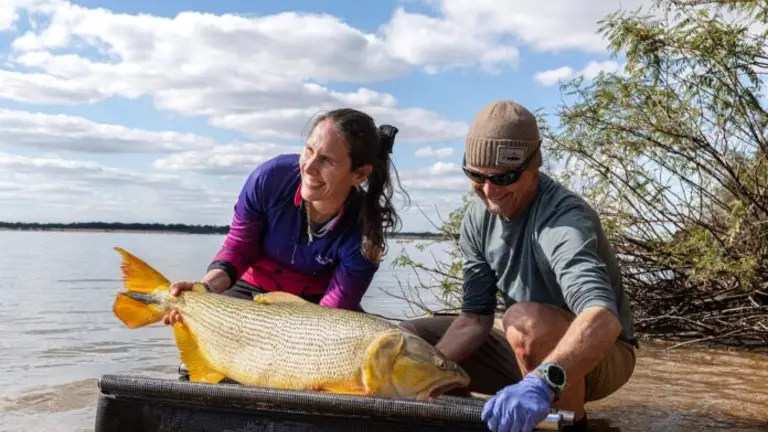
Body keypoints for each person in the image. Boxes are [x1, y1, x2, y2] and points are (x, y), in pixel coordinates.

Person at [398, 100, 637, 432]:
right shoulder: (476, 219)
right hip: (529, 350)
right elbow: (475, 320)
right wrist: (423, 373)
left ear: (533, 167)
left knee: (525, 323)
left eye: (504, 177)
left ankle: (570, 425)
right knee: (409, 341)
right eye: (477, 176)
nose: (489, 191)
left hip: (602, 354)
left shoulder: (564, 220)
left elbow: (604, 318)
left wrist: (543, 381)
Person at [162, 108, 408, 378]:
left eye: (326, 161)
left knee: (341, 371)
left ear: (359, 175)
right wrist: (206, 288)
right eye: (309, 150)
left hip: (316, 308)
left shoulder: (366, 236)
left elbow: (328, 316)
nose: (309, 167)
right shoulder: (271, 177)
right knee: (198, 369)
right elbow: (239, 246)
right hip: (250, 288)